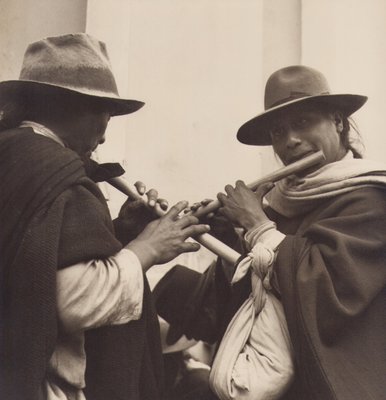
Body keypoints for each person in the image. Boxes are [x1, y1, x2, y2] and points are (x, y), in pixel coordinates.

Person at [153, 65, 386, 400]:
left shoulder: (371, 198)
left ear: (338, 120)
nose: (290, 141)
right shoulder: (280, 201)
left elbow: (326, 291)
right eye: (278, 131)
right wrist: (228, 238)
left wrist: (258, 226)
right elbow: (243, 308)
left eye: (303, 123)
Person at [0, 33, 210, 400]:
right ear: (75, 106)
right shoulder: (57, 171)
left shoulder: (12, 158)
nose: (104, 134)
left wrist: (121, 233)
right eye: (106, 112)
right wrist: (149, 248)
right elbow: (75, 302)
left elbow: (34, 264)